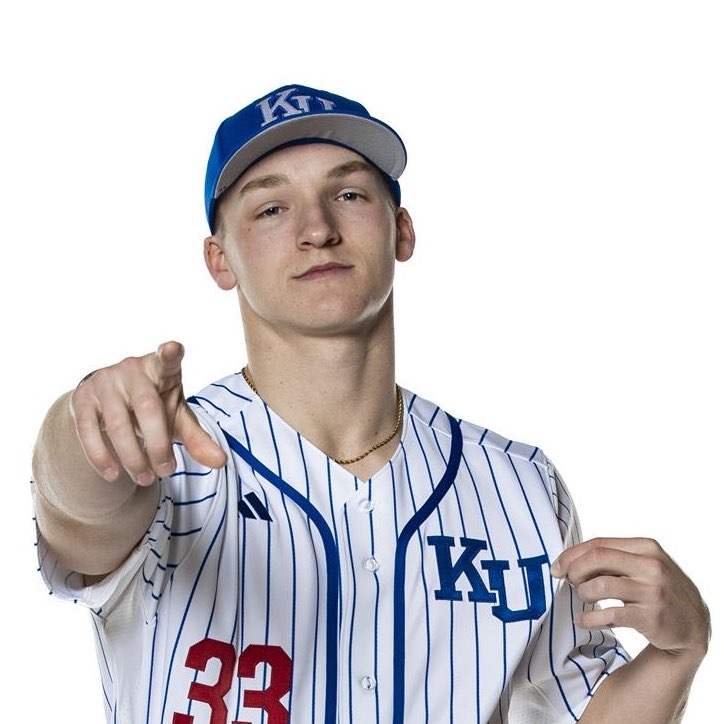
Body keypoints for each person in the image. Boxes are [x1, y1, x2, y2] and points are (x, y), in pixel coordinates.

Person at [31, 84, 709, 724]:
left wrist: (679, 651)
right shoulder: (164, 454)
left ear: (401, 231)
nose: (317, 228)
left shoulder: (521, 485)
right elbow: (78, 509)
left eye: (349, 194)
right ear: (220, 259)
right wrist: (86, 420)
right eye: (271, 208)